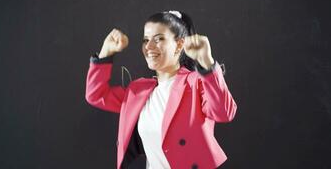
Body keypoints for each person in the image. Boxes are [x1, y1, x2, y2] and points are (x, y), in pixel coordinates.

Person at [85, 10, 237, 169]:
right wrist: (105, 53)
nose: (149, 47)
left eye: (158, 39)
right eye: (145, 40)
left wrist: (207, 61)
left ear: (179, 44)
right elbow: (96, 95)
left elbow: (224, 112)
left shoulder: (195, 82)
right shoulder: (138, 91)